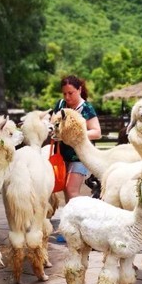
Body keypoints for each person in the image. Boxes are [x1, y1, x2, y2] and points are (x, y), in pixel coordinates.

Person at [53, 75, 102, 242]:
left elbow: (97, 132)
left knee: (72, 190)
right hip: (62, 156)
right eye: (65, 93)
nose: (67, 97)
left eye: (71, 93)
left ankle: (81, 230)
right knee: (67, 192)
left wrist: (73, 135)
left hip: (80, 156)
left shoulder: (86, 108)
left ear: (79, 89)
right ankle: (71, 229)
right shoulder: (60, 105)